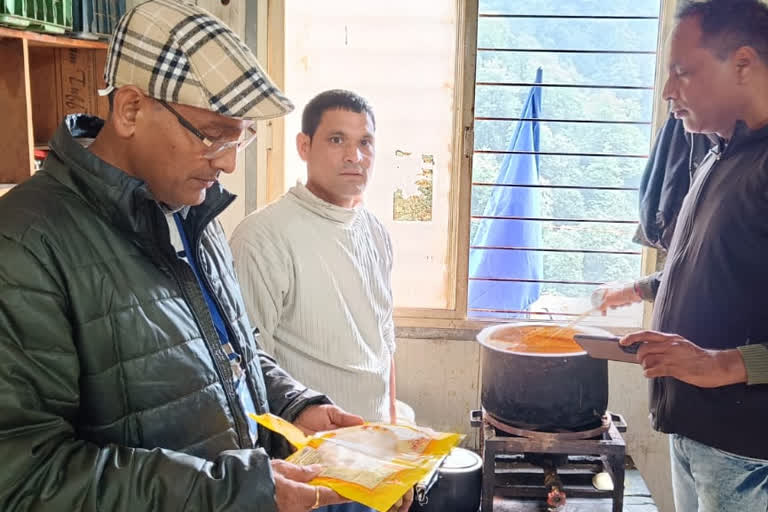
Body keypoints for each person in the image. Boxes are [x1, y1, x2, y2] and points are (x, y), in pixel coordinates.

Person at [0, 2, 368, 511]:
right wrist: (229, 490)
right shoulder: (24, 244)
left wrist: (292, 406)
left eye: (241, 137)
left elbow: (228, 352)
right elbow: (24, 477)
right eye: (212, 135)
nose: (228, 161)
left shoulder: (193, 213)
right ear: (130, 109)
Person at [601, 1, 768, 510]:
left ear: (742, 64)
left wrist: (722, 364)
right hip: (695, 429)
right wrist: (644, 288)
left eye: (682, 73)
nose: (669, 92)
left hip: (745, 448)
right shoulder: (722, 151)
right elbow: (723, 262)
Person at [230, 89, 413, 512]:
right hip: (306, 467)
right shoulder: (263, 236)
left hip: (373, 459)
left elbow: (385, 346)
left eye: (365, 142)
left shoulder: (376, 232)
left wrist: (395, 443)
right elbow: (249, 365)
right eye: (337, 140)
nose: (355, 155)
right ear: (303, 146)